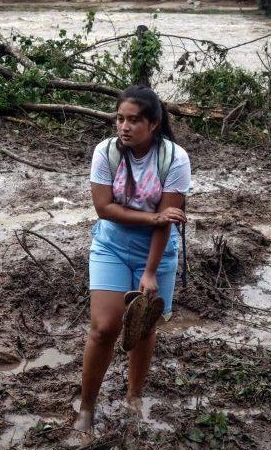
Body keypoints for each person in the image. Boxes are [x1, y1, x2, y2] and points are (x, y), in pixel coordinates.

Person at [73, 85, 191, 437]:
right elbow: (104, 209)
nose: (124, 127)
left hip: (157, 250)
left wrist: (151, 271)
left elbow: (167, 222)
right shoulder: (106, 153)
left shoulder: (174, 158)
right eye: (120, 119)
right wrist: (152, 217)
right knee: (104, 327)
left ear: (153, 123)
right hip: (111, 245)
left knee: (143, 328)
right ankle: (87, 406)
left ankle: (134, 395)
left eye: (134, 120)